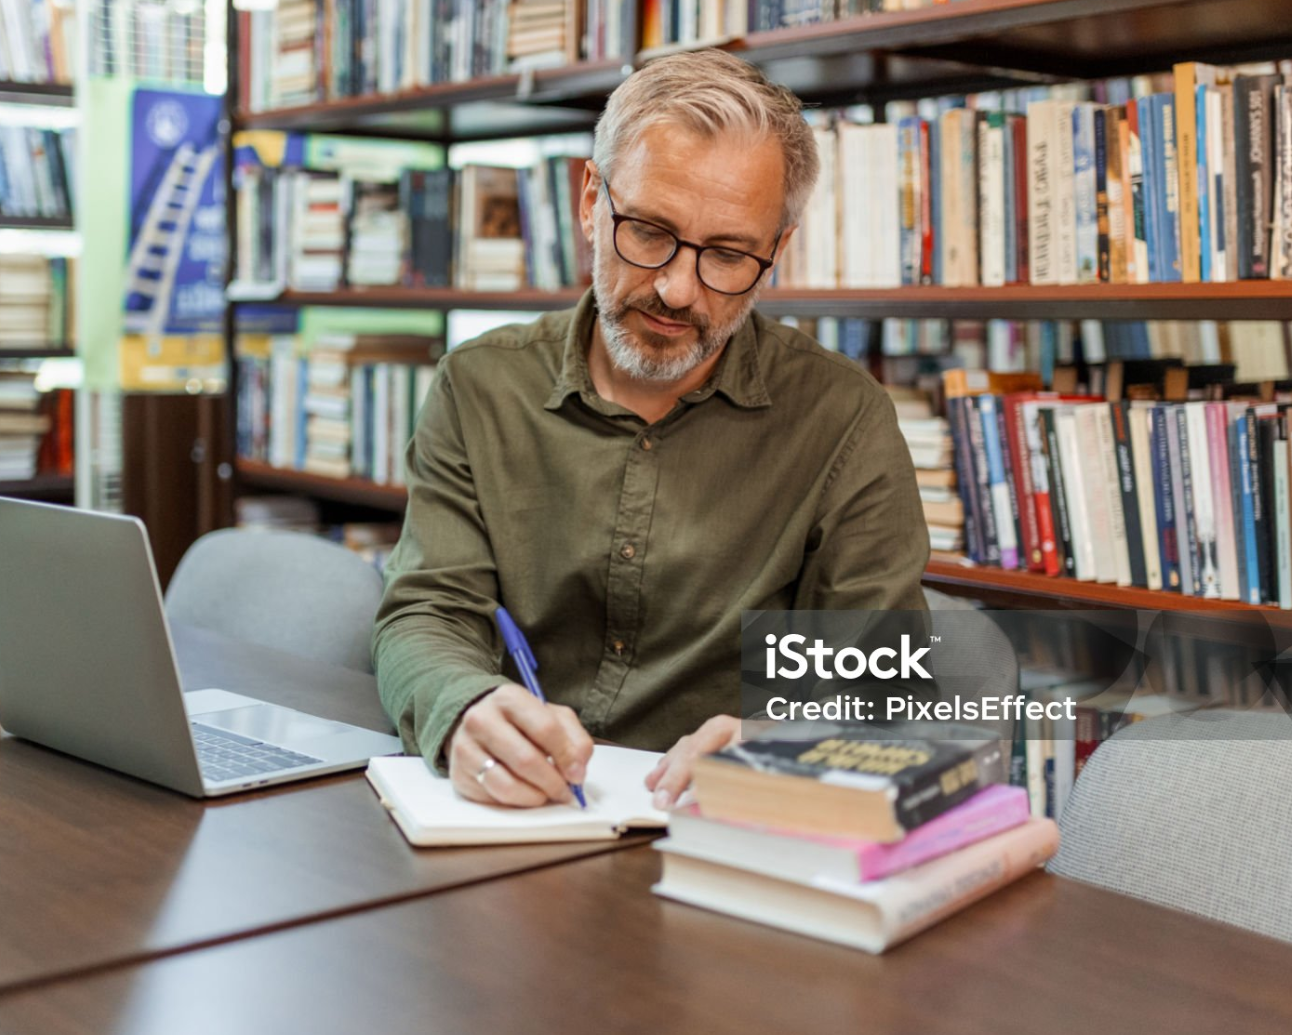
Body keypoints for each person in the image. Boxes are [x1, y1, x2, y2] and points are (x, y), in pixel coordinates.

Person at [372, 49, 930, 811]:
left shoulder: (843, 420)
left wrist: (786, 741)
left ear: (776, 252)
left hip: (721, 836)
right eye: (648, 231)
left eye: (728, 254)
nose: (675, 288)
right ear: (590, 197)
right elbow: (426, 610)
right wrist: (463, 705)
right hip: (510, 818)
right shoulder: (479, 386)